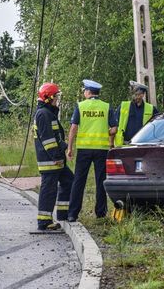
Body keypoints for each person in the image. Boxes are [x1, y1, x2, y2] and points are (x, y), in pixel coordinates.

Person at [67, 80, 118, 222]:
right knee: (101, 181)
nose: (84, 93)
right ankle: (101, 213)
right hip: (101, 149)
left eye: (84, 91)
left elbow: (73, 128)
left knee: (78, 180)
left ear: (88, 92)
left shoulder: (81, 106)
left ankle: (72, 214)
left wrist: (70, 147)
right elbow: (114, 129)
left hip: (84, 149)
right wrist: (106, 134)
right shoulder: (106, 107)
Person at [33, 82, 74, 231]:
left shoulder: (48, 112)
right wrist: (57, 156)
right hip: (50, 160)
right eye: (55, 96)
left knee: (69, 181)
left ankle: (63, 213)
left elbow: (55, 137)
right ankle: (44, 221)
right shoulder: (43, 114)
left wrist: (62, 149)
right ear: (48, 98)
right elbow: (48, 140)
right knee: (48, 189)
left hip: (56, 158)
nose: (57, 99)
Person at [114, 81, 159, 146]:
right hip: (124, 145)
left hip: (143, 145)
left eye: (138, 94)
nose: (135, 97)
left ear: (142, 94)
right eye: (134, 94)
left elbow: (158, 125)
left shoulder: (151, 108)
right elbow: (114, 124)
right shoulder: (123, 106)